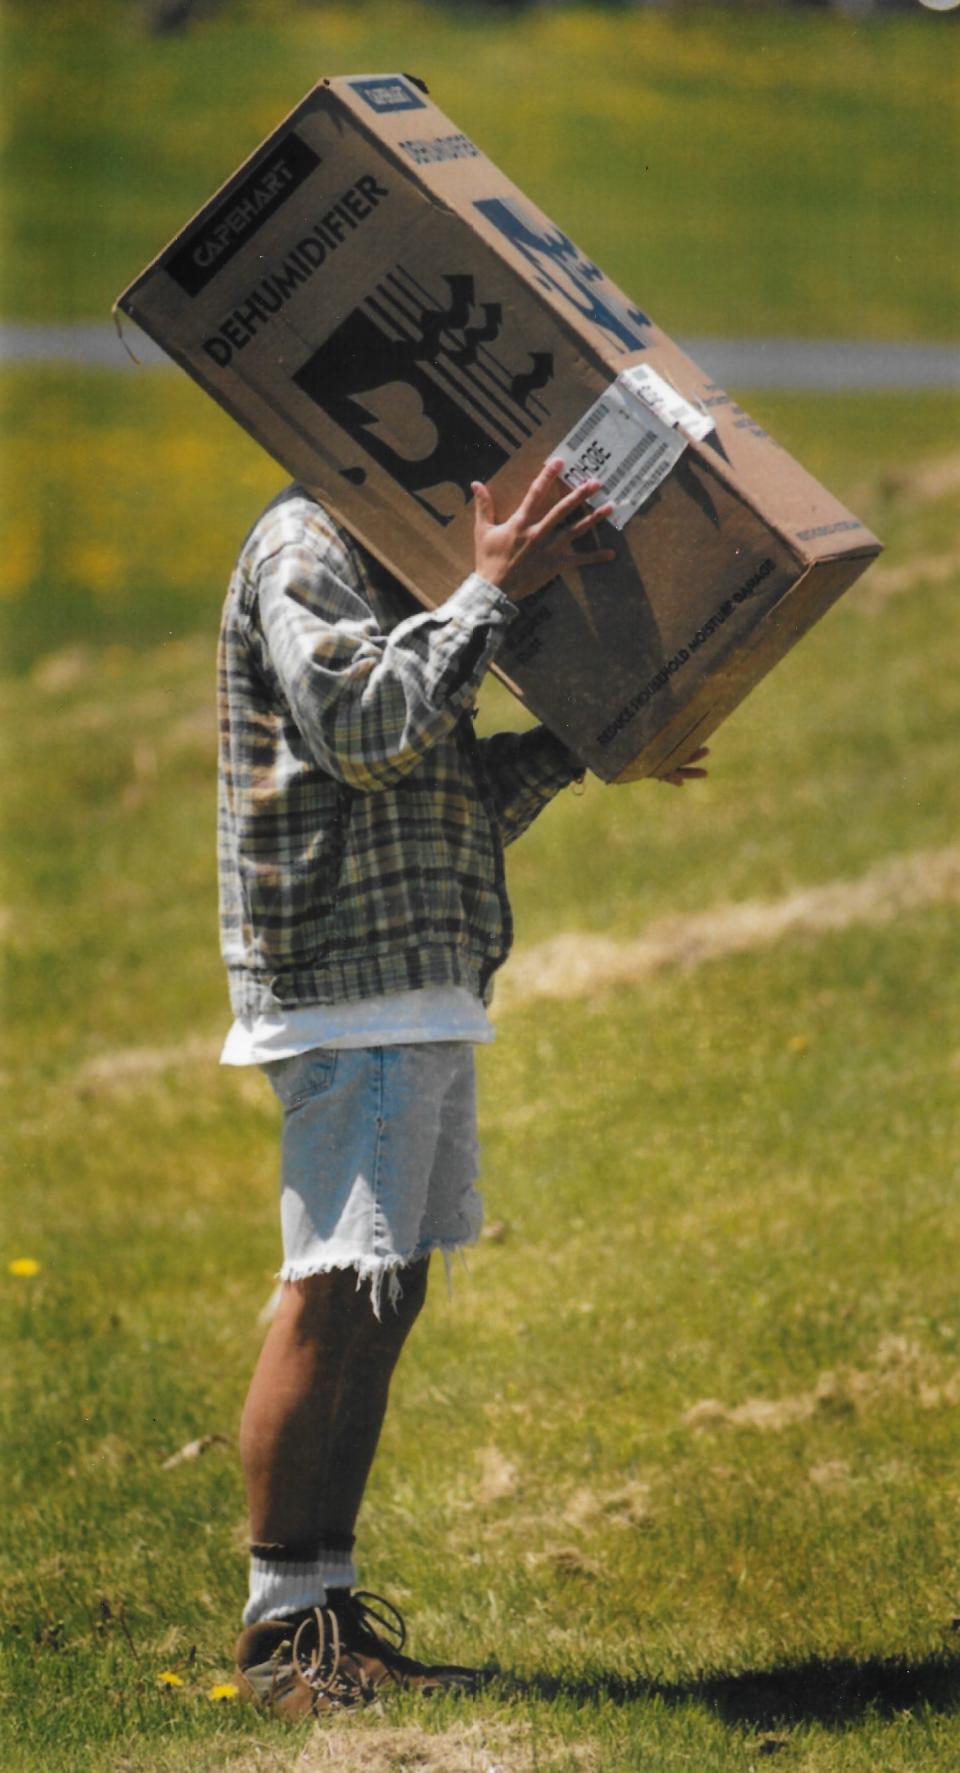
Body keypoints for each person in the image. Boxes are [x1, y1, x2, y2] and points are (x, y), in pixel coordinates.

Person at [218, 458, 707, 1716]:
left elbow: (448, 796)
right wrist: (489, 590)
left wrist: (591, 746)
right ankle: (279, 1636)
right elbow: (369, 735)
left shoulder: (402, 565)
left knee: (387, 1290)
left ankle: (329, 1608)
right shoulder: (307, 546)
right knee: (335, 1287)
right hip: (347, 975)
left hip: (421, 977)